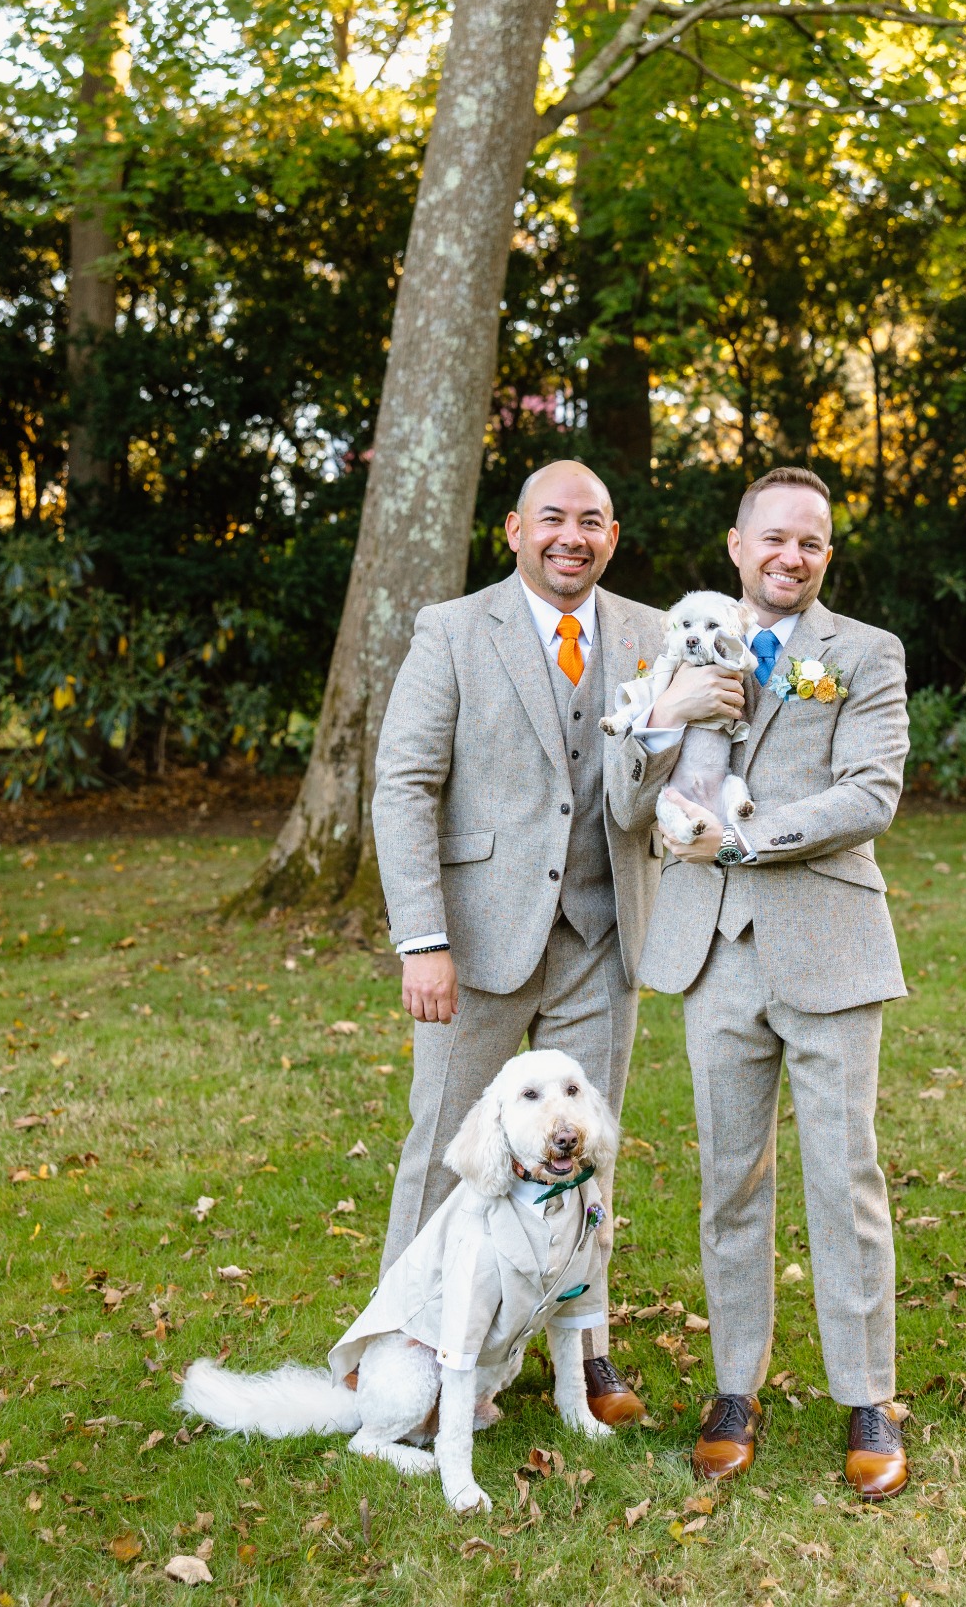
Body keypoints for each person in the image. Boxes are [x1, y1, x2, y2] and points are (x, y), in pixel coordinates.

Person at [609, 466, 911, 1497]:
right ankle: (734, 1387)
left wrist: (739, 838)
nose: (791, 556)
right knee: (729, 1179)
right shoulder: (678, 642)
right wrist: (667, 715)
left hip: (829, 944)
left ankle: (867, 1394)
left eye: (811, 543)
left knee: (844, 1174)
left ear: (827, 555)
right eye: (773, 538)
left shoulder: (865, 654)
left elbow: (870, 794)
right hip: (712, 954)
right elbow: (629, 792)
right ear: (736, 546)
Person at [372, 459, 669, 1425]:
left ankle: (586, 1354)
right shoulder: (453, 632)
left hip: (602, 931)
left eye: (591, 521)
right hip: (476, 937)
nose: (570, 537)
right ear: (513, 528)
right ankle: (406, 1350)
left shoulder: (654, 636)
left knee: (582, 1153)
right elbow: (405, 784)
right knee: (446, 1146)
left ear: (612, 537)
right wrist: (422, 939)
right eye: (552, 519)